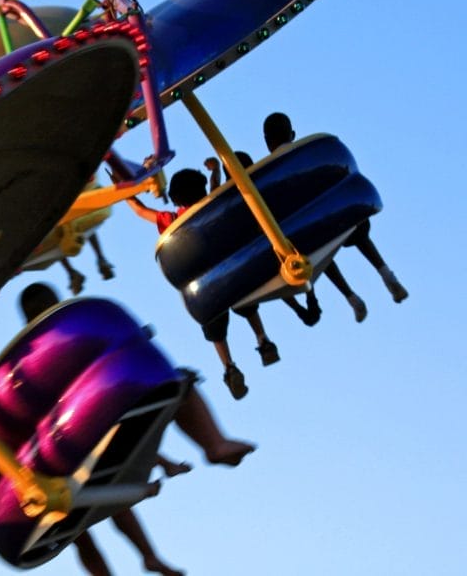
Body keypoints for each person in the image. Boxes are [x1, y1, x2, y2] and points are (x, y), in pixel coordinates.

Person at [14, 283, 254, 576]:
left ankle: (214, 445)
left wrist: (163, 464)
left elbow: (111, 414)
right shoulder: (37, 359)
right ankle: (148, 553)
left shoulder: (70, 339)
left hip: (95, 429)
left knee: (171, 387)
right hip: (70, 445)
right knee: (85, 512)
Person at [124, 170, 278, 400]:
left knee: (214, 325)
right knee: (248, 303)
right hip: (233, 272)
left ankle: (229, 366)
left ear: (175, 198)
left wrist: (126, 192)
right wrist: (215, 169)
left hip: (207, 287)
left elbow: (140, 211)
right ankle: (263, 339)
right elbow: (219, 190)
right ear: (202, 189)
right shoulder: (213, 207)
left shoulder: (173, 221)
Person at [263, 112, 408, 317]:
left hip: (309, 227)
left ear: (267, 141)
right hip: (332, 211)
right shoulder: (308, 151)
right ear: (292, 134)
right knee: (358, 233)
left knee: (319, 255)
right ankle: (386, 273)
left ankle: (351, 297)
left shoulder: (269, 170)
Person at [206, 153, 322, 327]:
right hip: (272, 236)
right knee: (289, 264)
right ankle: (308, 298)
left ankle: (303, 303)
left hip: (260, 241)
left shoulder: (234, 193)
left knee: (277, 271)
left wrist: (215, 170)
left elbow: (214, 190)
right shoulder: (257, 183)